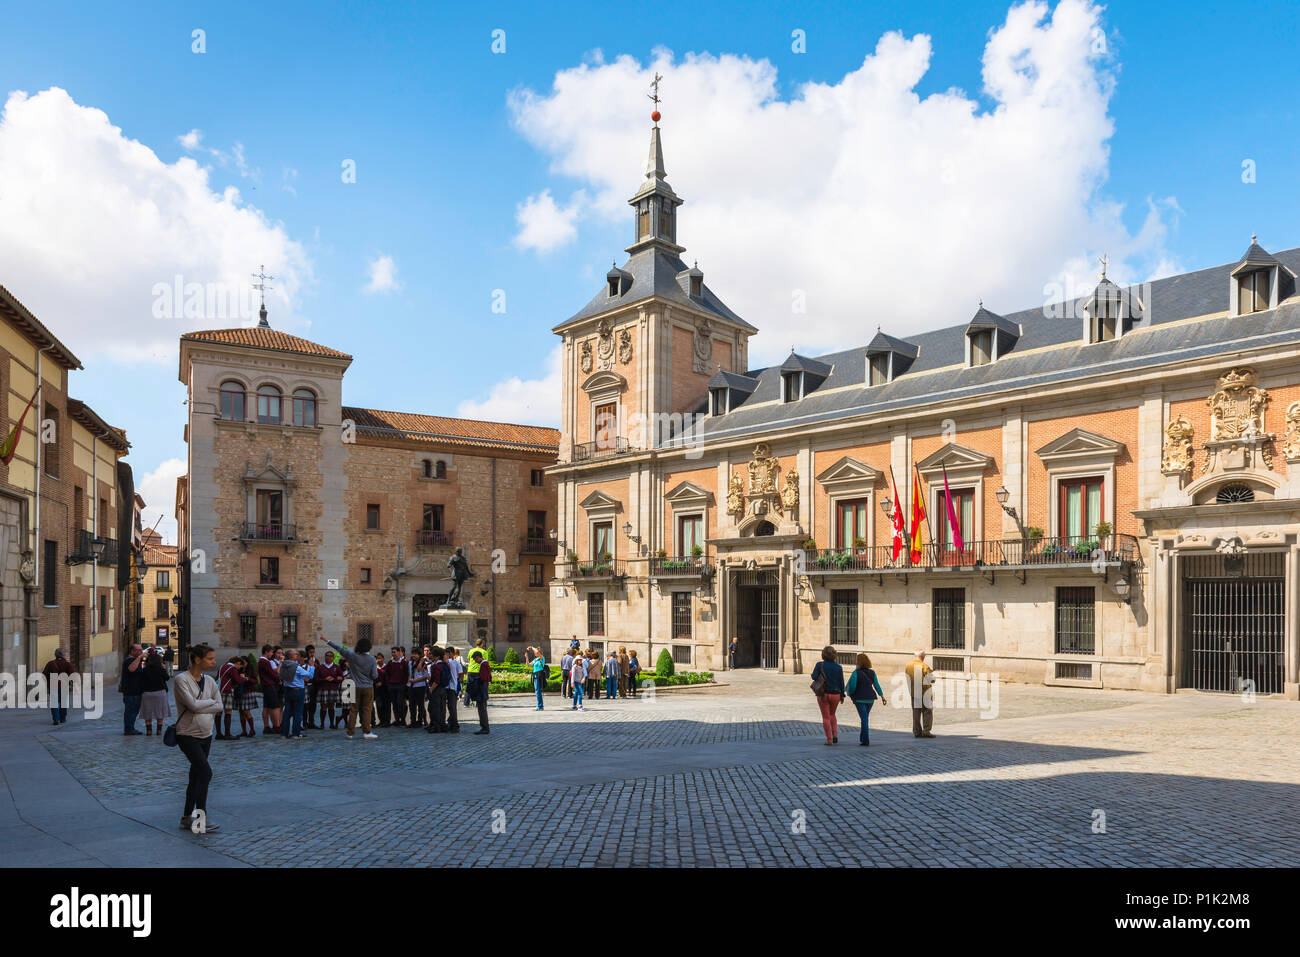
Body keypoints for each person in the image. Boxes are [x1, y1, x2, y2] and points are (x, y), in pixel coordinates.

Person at [174, 643, 224, 832]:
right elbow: (192, 706)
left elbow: (219, 706)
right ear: (197, 660)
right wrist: (209, 702)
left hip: (206, 733)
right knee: (205, 773)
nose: (213, 662)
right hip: (187, 734)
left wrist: (204, 703)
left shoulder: (210, 680)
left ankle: (186, 817)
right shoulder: (182, 680)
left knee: (195, 776)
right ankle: (200, 818)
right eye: (210, 659)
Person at [324, 636, 379, 740]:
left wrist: (328, 641)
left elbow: (339, 648)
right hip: (368, 687)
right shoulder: (372, 659)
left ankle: (350, 733)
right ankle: (367, 732)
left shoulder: (353, 656)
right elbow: (375, 675)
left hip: (355, 686)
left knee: (353, 709)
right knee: (367, 709)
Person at [846, 653, 887, 746]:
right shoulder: (872, 673)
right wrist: (882, 696)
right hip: (870, 699)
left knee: (864, 719)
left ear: (859, 662)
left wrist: (850, 694)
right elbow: (876, 685)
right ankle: (862, 738)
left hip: (859, 699)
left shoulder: (855, 673)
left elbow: (852, 686)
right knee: (864, 718)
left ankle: (866, 740)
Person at [810, 645, 845, 746]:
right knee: (832, 714)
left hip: (823, 694)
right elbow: (841, 682)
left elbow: (814, 676)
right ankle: (835, 734)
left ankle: (829, 739)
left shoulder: (819, 665)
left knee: (826, 717)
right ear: (834, 655)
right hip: (836, 694)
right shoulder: (838, 667)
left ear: (823, 654)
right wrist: (842, 695)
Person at [280, 649, 312, 739]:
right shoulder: (296, 667)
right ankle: (296, 733)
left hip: (287, 690)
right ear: (291, 656)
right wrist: (312, 667)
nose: (297, 655)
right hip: (297, 690)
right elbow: (309, 675)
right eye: (296, 654)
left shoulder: (283, 665)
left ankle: (284, 733)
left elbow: (280, 675)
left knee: (287, 712)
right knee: (297, 713)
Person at [905, 649, 937, 738]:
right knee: (927, 712)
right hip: (925, 692)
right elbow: (932, 680)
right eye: (924, 656)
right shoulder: (924, 666)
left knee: (916, 712)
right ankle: (926, 731)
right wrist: (930, 672)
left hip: (914, 692)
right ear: (922, 656)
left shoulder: (908, 665)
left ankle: (916, 731)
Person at [140, 648, 171, 736]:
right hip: (160, 693)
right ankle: (159, 730)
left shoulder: (145, 670)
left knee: (148, 712)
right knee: (159, 712)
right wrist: (164, 669)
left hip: (147, 693)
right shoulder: (160, 669)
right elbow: (167, 678)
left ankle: (149, 731)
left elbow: (141, 680)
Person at [216, 656, 246, 741]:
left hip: (219, 691)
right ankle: (227, 734)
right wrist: (243, 678)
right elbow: (237, 680)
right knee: (228, 711)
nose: (239, 668)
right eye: (240, 666)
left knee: (218, 712)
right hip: (227, 691)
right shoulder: (232, 668)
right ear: (238, 663)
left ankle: (218, 734)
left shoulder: (222, 666)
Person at [42, 649, 73, 725]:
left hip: (53, 685)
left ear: (55, 655)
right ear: (63, 655)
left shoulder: (50, 664)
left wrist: (48, 681)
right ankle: (62, 718)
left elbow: (44, 675)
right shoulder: (67, 664)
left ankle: (56, 719)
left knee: (54, 703)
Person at [257, 644, 283, 734]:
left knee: (266, 707)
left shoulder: (262, 661)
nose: (272, 654)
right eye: (271, 652)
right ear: (266, 652)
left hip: (266, 686)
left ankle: (267, 726)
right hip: (270, 686)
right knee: (275, 707)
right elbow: (272, 673)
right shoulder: (265, 661)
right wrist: (278, 680)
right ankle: (277, 726)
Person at [121, 643, 146, 735]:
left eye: (141, 650)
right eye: (138, 650)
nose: (141, 652)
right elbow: (131, 669)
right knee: (130, 711)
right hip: (131, 691)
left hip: (136, 691)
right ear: (132, 651)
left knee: (134, 711)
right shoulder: (129, 660)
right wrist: (139, 658)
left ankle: (130, 727)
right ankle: (128, 729)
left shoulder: (135, 660)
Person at [314, 650, 342, 729]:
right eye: (327, 655)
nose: (328, 657)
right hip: (323, 688)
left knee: (331, 707)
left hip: (333, 688)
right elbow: (315, 679)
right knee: (323, 707)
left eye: (330, 656)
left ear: (333, 658)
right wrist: (325, 679)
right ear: (325, 657)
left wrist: (334, 679)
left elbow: (341, 678)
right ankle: (322, 724)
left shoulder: (336, 667)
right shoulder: (320, 667)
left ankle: (332, 724)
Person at [468, 650, 491, 734]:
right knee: (482, 708)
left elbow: (483, 678)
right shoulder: (485, 663)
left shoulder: (484, 664)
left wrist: (476, 677)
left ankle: (484, 728)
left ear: (478, 657)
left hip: (481, 690)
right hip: (483, 689)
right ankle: (484, 727)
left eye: (475, 659)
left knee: (482, 709)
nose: (475, 661)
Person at [426, 645, 448, 733]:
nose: (430, 656)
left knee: (435, 709)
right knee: (442, 708)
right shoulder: (443, 664)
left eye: (432, 655)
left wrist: (431, 689)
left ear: (437, 656)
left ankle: (436, 727)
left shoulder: (437, 666)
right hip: (443, 689)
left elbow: (436, 680)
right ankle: (442, 726)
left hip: (437, 689)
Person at [385, 647, 409, 728]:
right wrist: (389, 682)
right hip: (392, 685)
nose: (393, 654)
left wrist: (404, 684)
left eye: (394, 652)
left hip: (400, 686)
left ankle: (403, 720)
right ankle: (397, 720)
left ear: (399, 652)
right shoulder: (390, 663)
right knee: (394, 704)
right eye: (392, 652)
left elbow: (406, 674)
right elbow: (387, 673)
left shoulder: (404, 662)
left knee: (400, 703)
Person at [237, 660, 260, 738]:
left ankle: (252, 730)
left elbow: (255, 681)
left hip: (247, 692)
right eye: (241, 663)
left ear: (247, 663)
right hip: (239, 692)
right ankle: (244, 731)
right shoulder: (238, 669)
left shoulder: (250, 670)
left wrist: (248, 679)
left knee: (246, 711)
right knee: (241, 712)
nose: (242, 664)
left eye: (244, 663)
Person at [408, 650, 430, 728]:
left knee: (420, 705)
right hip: (411, 686)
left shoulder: (423, 664)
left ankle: (420, 721)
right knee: (411, 705)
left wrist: (415, 681)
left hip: (420, 686)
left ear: (419, 655)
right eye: (412, 653)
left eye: (415, 654)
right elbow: (409, 673)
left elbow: (426, 676)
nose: (413, 655)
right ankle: (412, 721)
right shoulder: (410, 663)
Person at [444, 647, 463, 733]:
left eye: (447, 653)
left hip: (451, 687)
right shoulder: (456, 663)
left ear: (450, 653)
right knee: (452, 707)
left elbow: (460, 675)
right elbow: (461, 675)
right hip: (453, 687)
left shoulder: (451, 662)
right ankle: (452, 723)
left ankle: (454, 725)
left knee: (451, 707)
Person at [302, 644, 319, 728]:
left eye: (313, 652)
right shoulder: (304, 661)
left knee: (313, 704)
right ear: (307, 653)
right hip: (305, 685)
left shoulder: (316, 661)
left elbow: (319, 671)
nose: (312, 654)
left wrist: (315, 665)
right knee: (305, 705)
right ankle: (305, 722)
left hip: (313, 685)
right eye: (310, 652)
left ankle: (311, 721)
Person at [374, 652, 390, 727]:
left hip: (385, 689)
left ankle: (387, 721)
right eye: (377, 659)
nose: (378, 660)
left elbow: (388, 677)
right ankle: (381, 720)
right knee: (379, 705)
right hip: (377, 689)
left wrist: (382, 683)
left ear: (383, 659)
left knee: (386, 705)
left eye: (380, 658)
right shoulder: (374, 668)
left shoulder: (386, 667)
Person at [529, 646, 547, 710]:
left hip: (539, 676)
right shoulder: (535, 660)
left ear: (539, 652)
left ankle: (540, 706)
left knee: (538, 691)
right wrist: (526, 658)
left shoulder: (542, 658)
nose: (534, 653)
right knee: (537, 691)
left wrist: (531, 647)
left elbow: (536, 651)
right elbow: (528, 664)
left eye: (535, 652)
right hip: (535, 676)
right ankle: (540, 706)